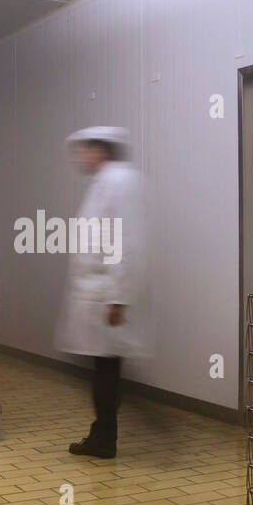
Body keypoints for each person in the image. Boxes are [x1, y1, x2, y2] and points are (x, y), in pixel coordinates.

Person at [53, 126, 145, 458]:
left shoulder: (118, 182)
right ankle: (102, 434)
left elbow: (125, 241)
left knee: (106, 371)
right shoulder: (105, 182)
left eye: (85, 150)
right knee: (104, 369)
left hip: (106, 296)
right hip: (99, 295)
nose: (80, 157)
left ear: (101, 151)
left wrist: (118, 297)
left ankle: (104, 439)